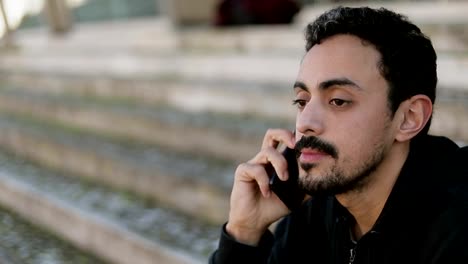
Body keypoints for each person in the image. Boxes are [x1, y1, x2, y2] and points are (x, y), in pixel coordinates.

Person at [209, 6, 468, 264]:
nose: (306, 123)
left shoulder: (456, 225)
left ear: (409, 118)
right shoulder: (316, 204)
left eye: (338, 101)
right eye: (302, 101)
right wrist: (244, 232)